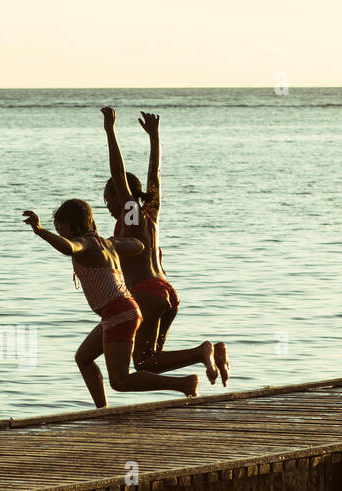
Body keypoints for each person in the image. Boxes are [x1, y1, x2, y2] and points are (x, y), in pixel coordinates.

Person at [22, 199, 199, 407]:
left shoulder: (85, 243)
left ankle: (184, 384)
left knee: (120, 379)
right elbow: (138, 245)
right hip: (124, 309)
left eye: (61, 225)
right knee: (84, 358)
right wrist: (114, 243)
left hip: (118, 312)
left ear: (75, 225)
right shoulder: (108, 243)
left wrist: (40, 230)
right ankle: (101, 409)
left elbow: (69, 248)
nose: (58, 230)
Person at [101, 107, 230, 385]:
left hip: (147, 292)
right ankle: (206, 352)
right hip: (166, 291)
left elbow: (118, 173)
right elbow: (155, 176)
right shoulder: (151, 212)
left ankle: (202, 352)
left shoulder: (130, 210)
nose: (107, 206)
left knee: (141, 362)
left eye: (108, 200)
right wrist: (155, 137)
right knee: (151, 360)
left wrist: (110, 131)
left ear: (119, 195)